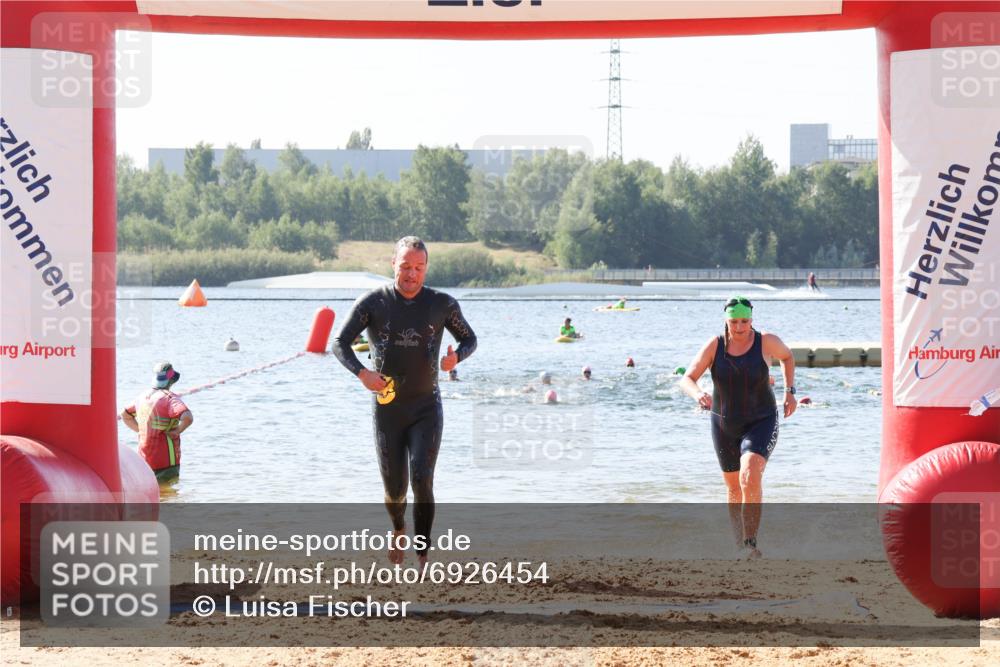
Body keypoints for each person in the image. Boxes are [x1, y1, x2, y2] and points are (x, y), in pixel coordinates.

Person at [332, 236, 477, 568]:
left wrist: (457, 358)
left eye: (419, 268)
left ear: (426, 268)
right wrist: (362, 373)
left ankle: (423, 556)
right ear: (393, 264)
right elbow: (339, 342)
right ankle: (398, 527)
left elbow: (469, 338)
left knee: (422, 479)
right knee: (395, 492)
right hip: (388, 410)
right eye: (406, 267)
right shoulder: (373, 303)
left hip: (427, 406)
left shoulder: (442, 304)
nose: (412, 274)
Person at [677, 296, 796, 558]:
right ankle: (739, 545)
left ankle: (750, 543)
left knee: (750, 473)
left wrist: (790, 391)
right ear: (726, 320)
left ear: (751, 319)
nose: (739, 327)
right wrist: (697, 394)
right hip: (724, 423)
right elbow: (687, 378)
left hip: (761, 419)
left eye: (744, 321)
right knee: (733, 487)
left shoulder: (766, 341)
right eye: (734, 321)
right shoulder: (715, 345)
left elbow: (787, 357)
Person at [120, 361, 193, 483]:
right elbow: (188, 417)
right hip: (166, 461)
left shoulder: (142, 397)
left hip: (144, 460)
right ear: (171, 381)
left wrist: (141, 430)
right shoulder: (169, 398)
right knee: (169, 493)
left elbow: (125, 415)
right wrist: (178, 430)